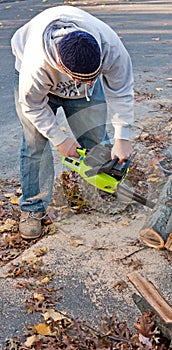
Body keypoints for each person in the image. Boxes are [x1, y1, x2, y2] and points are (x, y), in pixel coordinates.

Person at [11, 5, 134, 240]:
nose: (89, 85)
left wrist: (123, 136)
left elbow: (121, 89)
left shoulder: (109, 45)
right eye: (82, 80)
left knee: (96, 137)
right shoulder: (35, 67)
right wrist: (60, 139)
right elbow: (32, 106)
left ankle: (106, 186)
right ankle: (33, 208)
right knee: (34, 146)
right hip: (39, 88)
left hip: (77, 73)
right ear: (60, 65)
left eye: (93, 79)